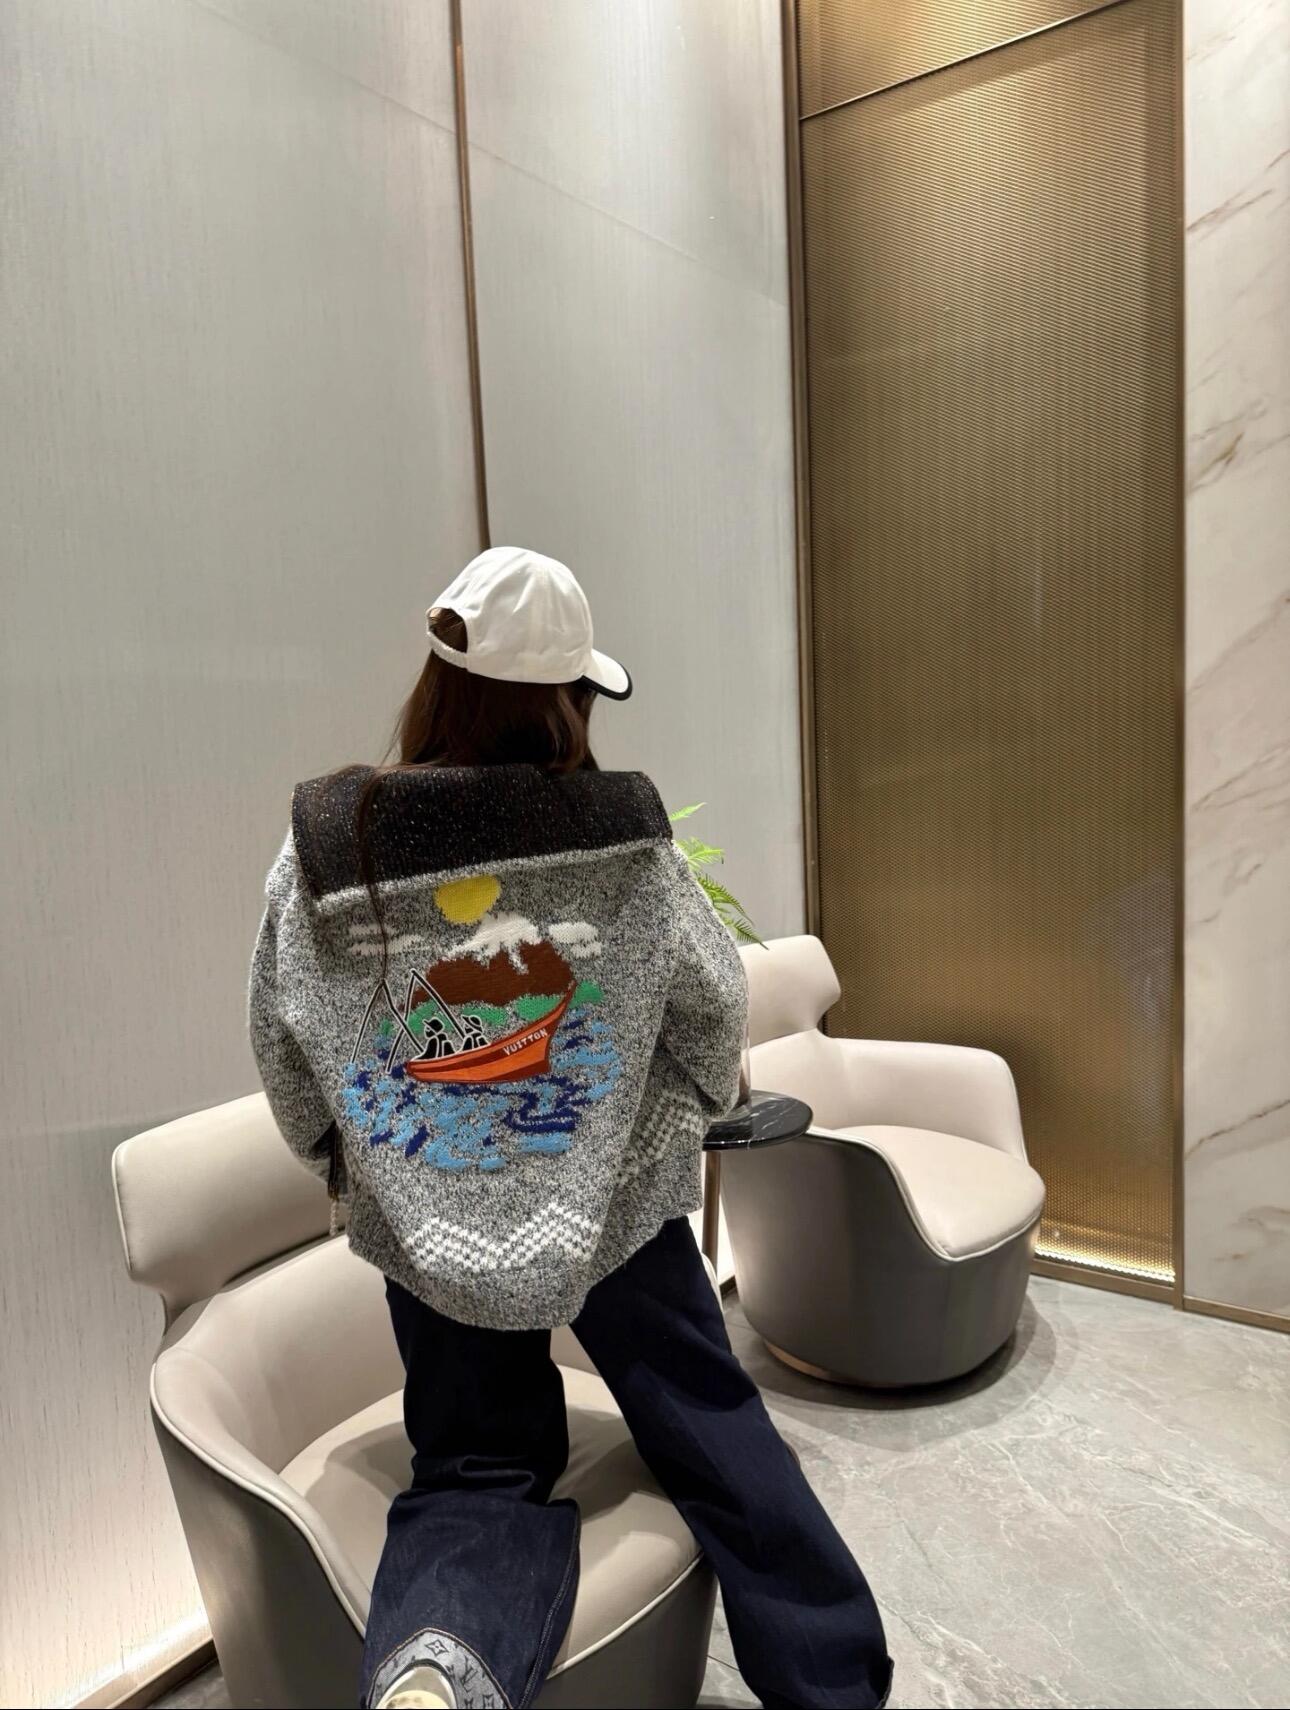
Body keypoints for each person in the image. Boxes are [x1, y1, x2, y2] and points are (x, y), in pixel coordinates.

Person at [249, 546, 892, 1710]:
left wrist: (361, 1164)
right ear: (566, 699)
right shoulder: (624, 832)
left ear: (438, 679)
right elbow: (714, 1006)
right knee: (712, 1428)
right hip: (617, 1202)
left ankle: (437, 1667)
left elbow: (284, 1043)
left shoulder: (330, 842)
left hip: (430, 1226)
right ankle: (834, 1684)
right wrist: (676, 1116)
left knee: (473, 1468)